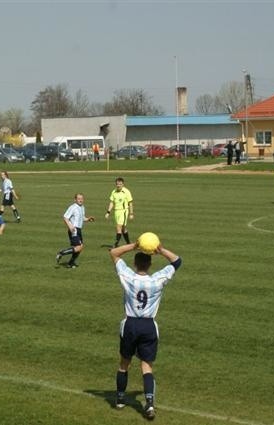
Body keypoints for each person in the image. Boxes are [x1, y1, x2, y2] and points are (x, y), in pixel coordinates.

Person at [109, 242, 182, 420]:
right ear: (149, 265)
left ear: (134, 263)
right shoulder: (157, 280)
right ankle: (149, 404)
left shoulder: (128, 277)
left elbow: (114, 253)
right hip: (148, 326)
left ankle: (119, 399)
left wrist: (135, 245)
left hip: (130, 324)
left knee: (124, 363)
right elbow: (177, 261)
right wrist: (161, 250)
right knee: (146, 367)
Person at [56, 193, 95, 268]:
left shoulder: (82, 207)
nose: (80, 200)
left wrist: (88, 219)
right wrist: (70, 226)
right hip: (74, 229)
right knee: (78, 247)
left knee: (80, 247)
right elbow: (65, 217)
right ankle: (61, 253)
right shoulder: (73, 207)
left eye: (82, 199)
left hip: (79, 229)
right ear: (75, 200)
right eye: (79, 199)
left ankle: (70, 263)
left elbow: (82, 218)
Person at [105, 177, 133, 248]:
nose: (118, 185)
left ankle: (116, 244)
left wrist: (131, 213)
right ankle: (128, 243)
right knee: (123, 229)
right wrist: (108, 212)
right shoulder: (114, 191)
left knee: (118, 227)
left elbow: (130, 203)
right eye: (117, 184)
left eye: (120, 184)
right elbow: (112, 202)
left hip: (124, 211)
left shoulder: (126, 191)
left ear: (123, 184)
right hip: (116, 212)